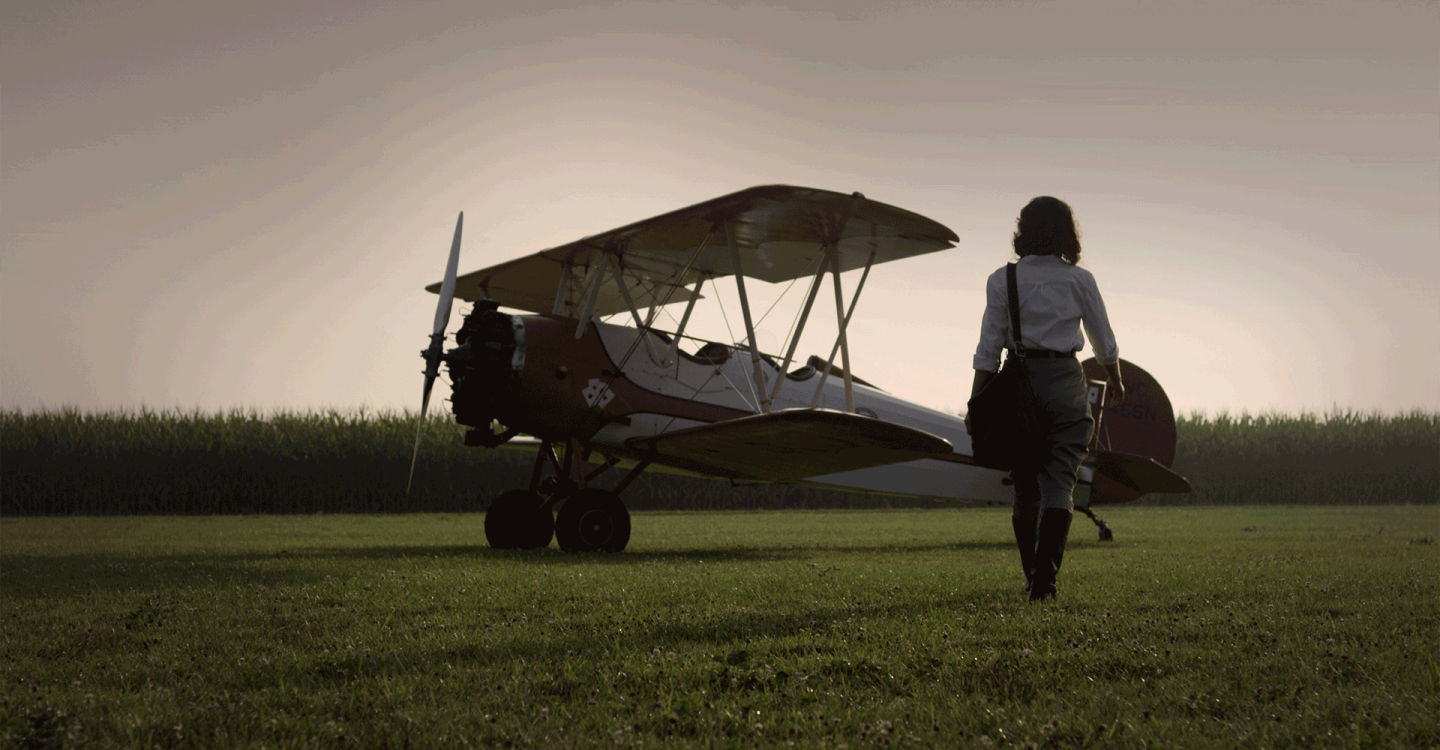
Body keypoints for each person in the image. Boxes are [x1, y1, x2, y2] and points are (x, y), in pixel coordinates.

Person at [965, 196, 1124, 601]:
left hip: (1018, 383)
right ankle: (1044, 582)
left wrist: (976, 401)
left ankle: (1031, 574)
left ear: (1023, 231)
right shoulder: (1080, 280)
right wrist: (1115, 380)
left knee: (1024, 484)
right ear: (1067, 234)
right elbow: (1103, 343)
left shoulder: (1002, 279)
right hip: (1066, 381)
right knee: (1060, 483)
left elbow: (988, 349)